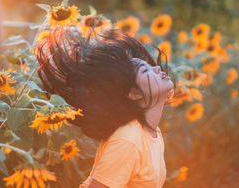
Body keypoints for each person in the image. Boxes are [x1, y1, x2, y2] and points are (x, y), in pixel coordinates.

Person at [34, 25, 176, 188]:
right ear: (134, 93)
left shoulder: (152, 133)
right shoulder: (128, 139)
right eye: (145, 71)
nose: (157, 68)